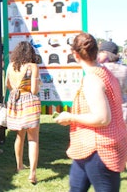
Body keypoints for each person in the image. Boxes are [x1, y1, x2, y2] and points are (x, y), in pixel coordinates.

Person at [55, 33, 127, 192]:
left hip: (99, 149)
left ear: (75, 54)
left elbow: (102, 118)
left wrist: (70, 117)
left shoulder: (92, 79)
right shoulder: (105, 72)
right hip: (87, 146)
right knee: (76, 187)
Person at [5, 41, 41, 184]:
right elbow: (34, 90)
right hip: (30, 102)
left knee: (19, 136)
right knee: (33, 138)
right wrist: (37, 82)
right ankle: (32, 173)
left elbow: (7, 85)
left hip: (15, 101)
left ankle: (19, 165)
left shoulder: (10, 66)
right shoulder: (33, 67)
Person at [97, 40, 127, 125]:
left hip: (107, 110)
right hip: (123, 109)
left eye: (101, 52)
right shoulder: (124, 69)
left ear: (105, 53)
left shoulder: (101, 69)